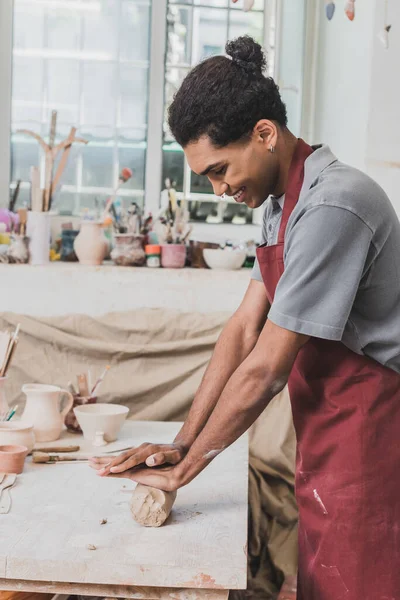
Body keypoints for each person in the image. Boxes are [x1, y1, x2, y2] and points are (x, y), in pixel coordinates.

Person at [90, 36, 400, 600]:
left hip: (377, 428)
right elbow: (241, 331)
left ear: (264, 134)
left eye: (219, 169)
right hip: (330, 428)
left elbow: (266, 369)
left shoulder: (333, 205)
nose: (220, 188)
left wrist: (187, 472)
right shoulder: (283, 204)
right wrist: (180, 443)